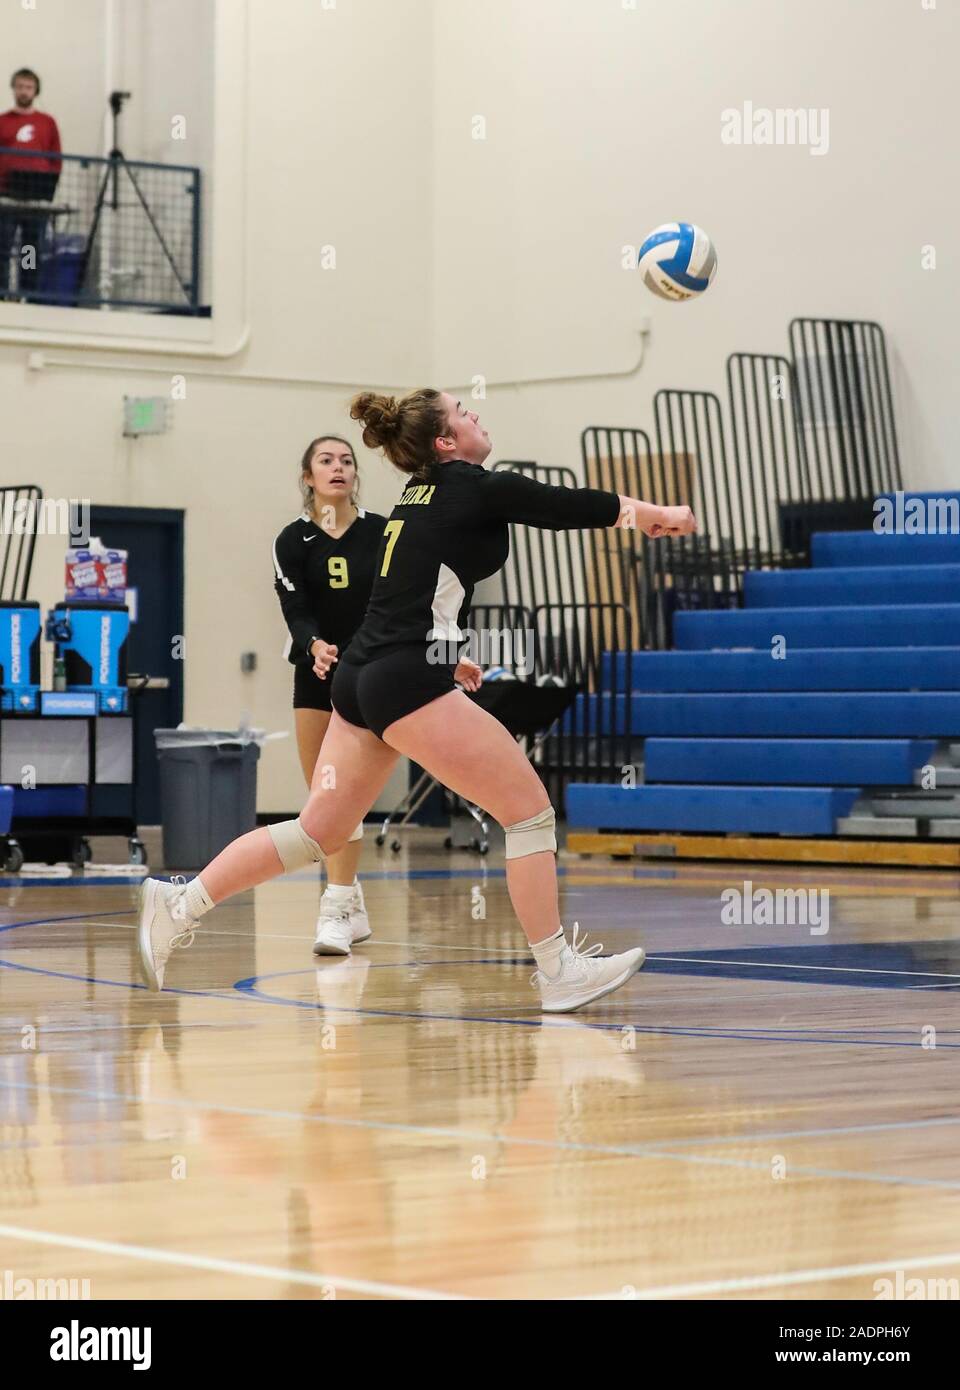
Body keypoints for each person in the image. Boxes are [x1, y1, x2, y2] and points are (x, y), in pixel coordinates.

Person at [138, 388, 697, 1014]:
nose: (475, 413)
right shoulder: (471, 485)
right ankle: (557, 969)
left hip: (363, 674)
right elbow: (564, 505)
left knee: (318, 832)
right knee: (530, 813)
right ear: (445, 443)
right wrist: (651, 512)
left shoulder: (415, 498)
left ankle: (179, 904)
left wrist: (442, 649)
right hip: (399, 678)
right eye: (463, 412)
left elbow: (408, 591)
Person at [271, 434, 387, 953]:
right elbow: (295, 610)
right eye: (326, 460)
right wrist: (313, 644)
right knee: (323, 798)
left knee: (345, 798)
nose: (337, 467)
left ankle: (336, 908)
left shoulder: (383, 534)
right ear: (308, 477)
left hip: (371, 676)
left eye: (346, 461)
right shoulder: (292, 541)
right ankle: (350, 904)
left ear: (355, 475)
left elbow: (408, 599)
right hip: (316, 675)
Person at [0, 68, 61, 299]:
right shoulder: (3, 121)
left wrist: (49, 190)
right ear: (13, 88)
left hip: (36, 196)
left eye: (28, 87)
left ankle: (28, 293)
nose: (24, 91)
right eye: (20, 86)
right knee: (3, 247)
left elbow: (56, 157)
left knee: (30, 248)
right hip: (5, 195)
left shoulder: (47, 122)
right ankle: (3, 294)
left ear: (35, 91)